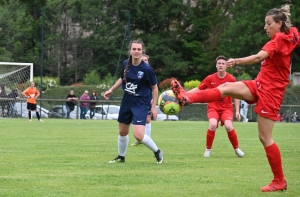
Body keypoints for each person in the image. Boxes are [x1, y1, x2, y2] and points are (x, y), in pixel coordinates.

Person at [171, 6, 299, 192]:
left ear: (279, 24)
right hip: (260, 83)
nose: (265, 27)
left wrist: (236, 61)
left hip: (271, 93)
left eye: (268, 24)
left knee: (265, 137)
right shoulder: (293, 33)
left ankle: (279, 181)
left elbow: (257, 57)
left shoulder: (277, 39)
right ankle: (187, 97)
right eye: (265, 23)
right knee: (224, 88)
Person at [103, 39, 163, 164]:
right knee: (122, 131)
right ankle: (121, 156)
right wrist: (111, 90)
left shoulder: (146, 69)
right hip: (127, 100)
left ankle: (157, 152)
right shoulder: (126, 63)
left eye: (139, 49)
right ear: (130, 51)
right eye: (134, 49)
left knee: (139, 136)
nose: (136, 51)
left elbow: (154, 87)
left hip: (141, 102)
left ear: (142, 51)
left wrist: (153, 107)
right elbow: (122, 79)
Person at [193, 55, 244, 158]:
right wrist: (186, 94)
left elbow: (237, 95)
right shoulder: (210, 78)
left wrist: (238, 111)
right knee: (212, 124)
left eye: (223, 63)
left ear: (226, 66)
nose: (221, 65)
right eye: (219, 63)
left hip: (227, 107)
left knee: (229, 126)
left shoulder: (231, 79)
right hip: (213, 107)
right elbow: (199, 89)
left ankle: (237, 149)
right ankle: (208, 150)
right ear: (216, 65)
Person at [131, 54, 153, 146]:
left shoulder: (149, 71)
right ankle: (141, 139)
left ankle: (146, 139)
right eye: (142, 59)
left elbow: (154, 87)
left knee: (147, 120)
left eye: (146, 60)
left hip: (147, 98)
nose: (144, 61)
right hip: (136, 99)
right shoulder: (137, 71)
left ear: (148, 61)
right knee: (136, 118)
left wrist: (153, 99)